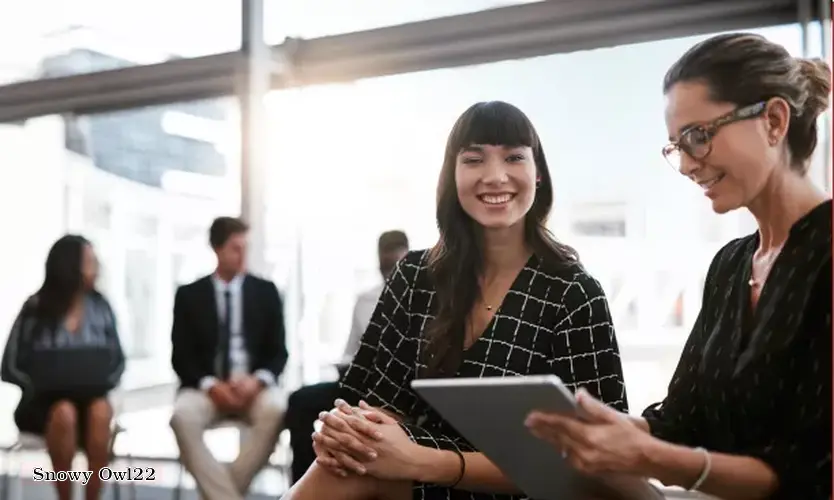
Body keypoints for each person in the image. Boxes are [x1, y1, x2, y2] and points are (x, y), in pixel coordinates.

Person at [525, 33, 832, 500]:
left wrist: (648, 456)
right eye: (676, 146)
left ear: (773, 120)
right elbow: (683, 420)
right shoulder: (730, 266)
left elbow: (813, 472)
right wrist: (607, 429)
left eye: (699, 136)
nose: (688, 164)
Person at [282, 100, 629, 500]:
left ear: (539, 176)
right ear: (453, 176)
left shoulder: (573, 293)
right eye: (474, 159)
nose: (495, 176)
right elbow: (378, 406)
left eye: (514, 157)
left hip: (526, 488)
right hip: (415, 476)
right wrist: (346, 436)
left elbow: (599, 460)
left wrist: (421, 461)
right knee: (343, 463)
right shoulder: (415, 275)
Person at [169, 216, 288, 500]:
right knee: (181, 417)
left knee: (277, 409)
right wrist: (211, 386)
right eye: (236, 248)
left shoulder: (266, 292)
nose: (243, 255)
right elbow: (181, 357)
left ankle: (220, 494)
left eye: (245, 247)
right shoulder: (189, 295)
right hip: (207, 388)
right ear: (217, 249)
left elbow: (278, 353)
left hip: (253, 387)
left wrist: (256, 382)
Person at [1, 235, 125, 500]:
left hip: (91, 403)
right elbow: (9, 365)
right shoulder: (36, 309)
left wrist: (100, 379)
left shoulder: (101, 307)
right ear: (70, 265)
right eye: (90, 261)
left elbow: (118, 361)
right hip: (43, 406)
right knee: (64, 413)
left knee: (101, 412)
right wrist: (40, 382)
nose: (97, 267)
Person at [284, 230, 410, 484]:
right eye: (385, 259)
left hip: (398, 390)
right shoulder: (365, 300)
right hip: (360, 383)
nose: (389, 265)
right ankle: (304, 482)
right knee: (300, 400)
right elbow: (352, 351)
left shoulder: (421, 299)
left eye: (396, 258)